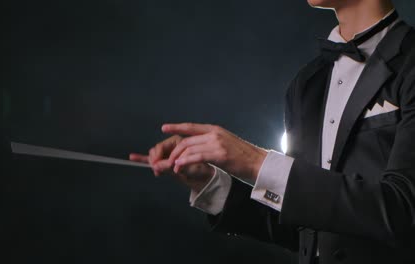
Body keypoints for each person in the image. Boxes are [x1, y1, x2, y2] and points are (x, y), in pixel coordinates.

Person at [130, 0, 415, 263]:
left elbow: (404, 211)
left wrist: (256, 162)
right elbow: (302, 229)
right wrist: (210, 183)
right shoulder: (307, 83)